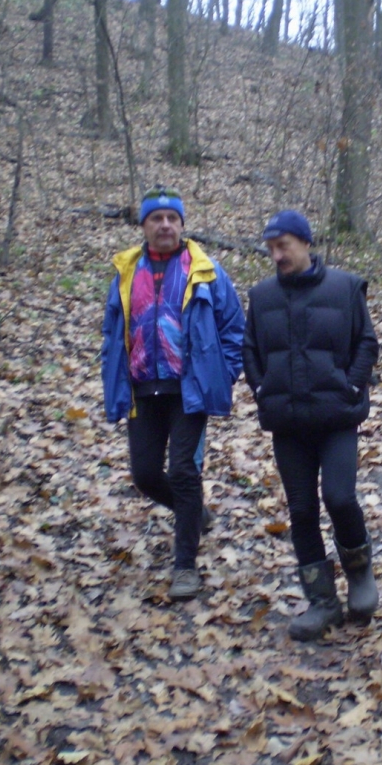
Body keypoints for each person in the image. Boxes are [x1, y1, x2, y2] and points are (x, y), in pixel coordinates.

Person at [102, 186, 245, 601]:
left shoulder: (206, 271)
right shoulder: (126, 272)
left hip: (188, 390)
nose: (164, 225)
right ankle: (193, 512)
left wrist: (221, 374)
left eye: (172, 219)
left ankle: (185, 566)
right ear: (143, 225)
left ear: (182, 225)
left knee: (184, 472)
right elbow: (112, 332)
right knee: (145, 475)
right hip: (143, 389)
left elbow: (234, 328)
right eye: (156, 219)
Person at [243, 210, 380, 642]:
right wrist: (262, 388)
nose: (276, 255)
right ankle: (322, 601)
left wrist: (351, 385)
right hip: (287, 421)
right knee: (301, 510)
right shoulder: (262, 295)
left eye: (283, 245)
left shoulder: (345, 287)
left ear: (306, 243)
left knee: (339, 497)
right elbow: (250, 350)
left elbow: (366, 341)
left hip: (336, 416)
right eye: (270, 248)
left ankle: (359, 572)